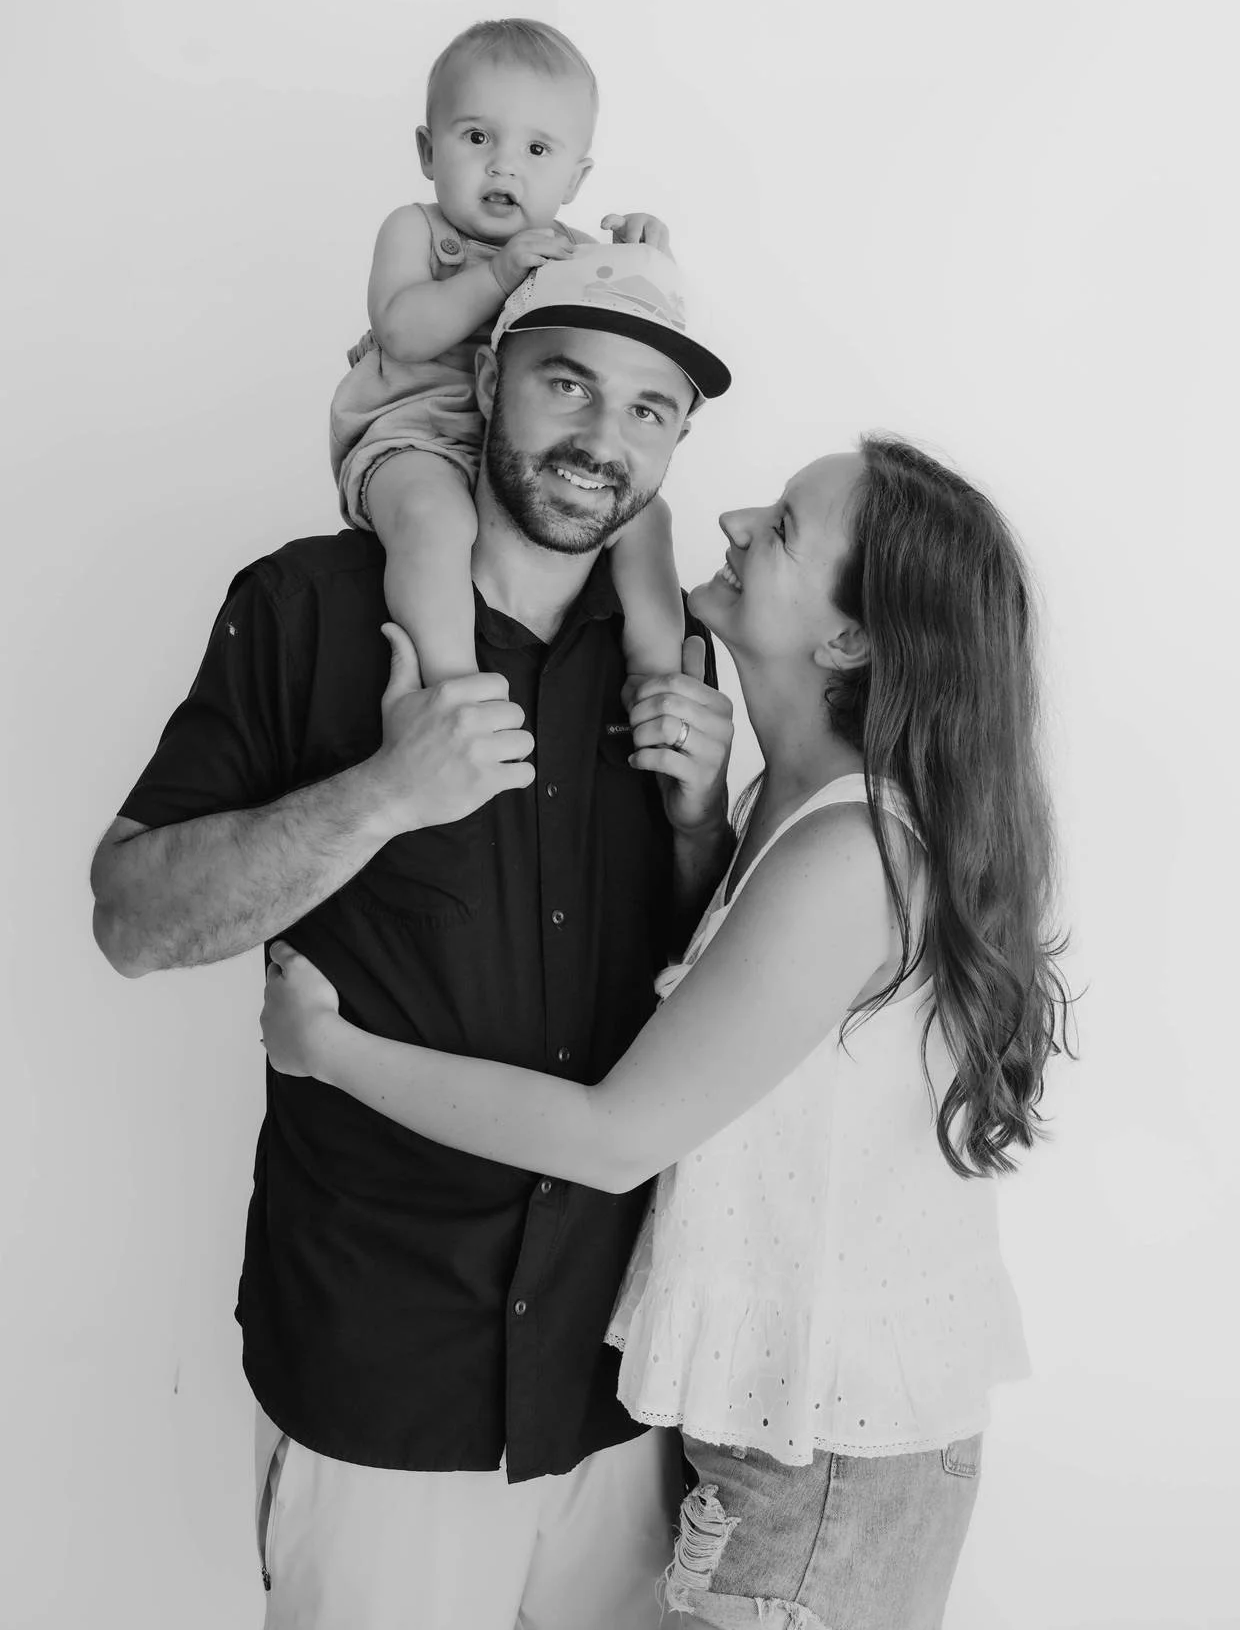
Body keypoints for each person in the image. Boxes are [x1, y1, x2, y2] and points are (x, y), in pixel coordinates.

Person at [261, 434, 1074, 1630]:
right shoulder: (787, 812)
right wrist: (698, 827)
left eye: (786, 527)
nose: (737, 520)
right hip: (779, 1456)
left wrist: (327, 1049)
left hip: (821, 1487)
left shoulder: (854, 855)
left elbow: (611, 1136)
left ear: (849, 640)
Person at [90, 244, 736, 1630]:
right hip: (382, 1374)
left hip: (625, 1385)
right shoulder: (309, 607)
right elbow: (133, 921)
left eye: (649, 410)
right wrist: (386, 793)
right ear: (488, 382)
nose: (600, 439)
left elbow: (707, 1005)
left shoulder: (680, 659)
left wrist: (697, 825)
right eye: (568, 383)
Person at [330, 15, 704, 687]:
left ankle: (658, 682)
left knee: (648, 518)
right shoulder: (418, 231)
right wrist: (498, 275)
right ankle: (453, 689)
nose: (502, 164)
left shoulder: (570, 253)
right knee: (433, 520)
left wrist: (647, 255)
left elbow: (635, 334)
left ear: (575, 179)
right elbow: (402, 333)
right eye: (477, 137)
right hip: (416, 435)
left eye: (538, 151)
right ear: (426, 151)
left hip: (524, 459)